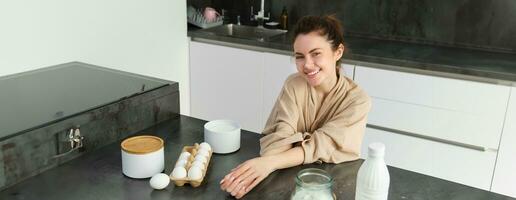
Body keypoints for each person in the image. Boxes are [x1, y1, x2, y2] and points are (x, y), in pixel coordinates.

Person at [219, 15, 371, 199]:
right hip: (289, 180)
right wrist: (270, 162)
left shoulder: (357, 101)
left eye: (316, 54)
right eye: (300, 56)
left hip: (332, 184)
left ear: (338, 52)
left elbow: (322, 144)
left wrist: (268, 163)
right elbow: (277, 142)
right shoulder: (294, 84)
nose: (307, 65)